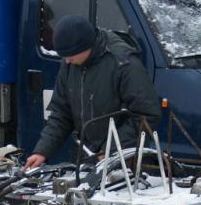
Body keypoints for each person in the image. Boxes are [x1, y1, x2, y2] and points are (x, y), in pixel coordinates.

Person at [24, 15, 161, 169]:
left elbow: (146, 114)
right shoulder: (71, 63)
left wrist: (111, 149)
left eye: (70, 56)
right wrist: (42, 151)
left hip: (123, 158)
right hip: (87, 154)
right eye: (64, 56)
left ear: (85, 46)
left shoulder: (123, 63)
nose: (67, 61)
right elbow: (61, 113)